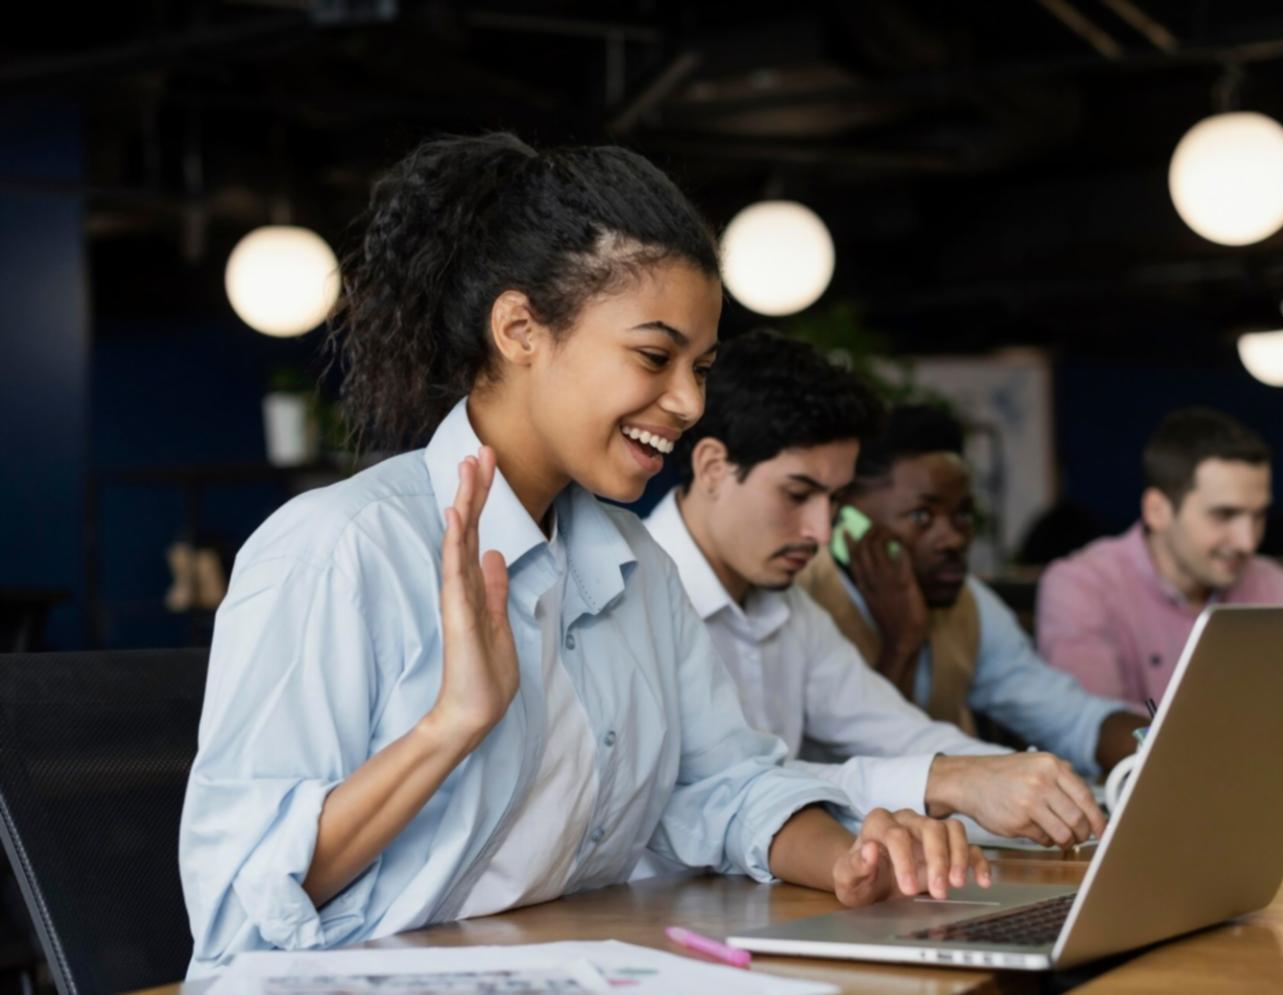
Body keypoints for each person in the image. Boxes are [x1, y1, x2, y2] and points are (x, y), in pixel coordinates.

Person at [178, 134, 985, 974]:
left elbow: (722, 781)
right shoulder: (338, 551)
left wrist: (851, 857)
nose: (688, 401)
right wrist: (451, 725)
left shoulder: (637, 567)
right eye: (653, 356)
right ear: (521, 328)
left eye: (700, 367)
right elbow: (240, 901)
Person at [645, 332, 1112, 848]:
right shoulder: (630, 595)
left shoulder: (790, 607)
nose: (821, 532)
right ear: (712, 467)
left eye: (835, 500)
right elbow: (718, 790)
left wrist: (1045, 791)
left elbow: (902, 736)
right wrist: (949, 780)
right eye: (798, 494)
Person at [1037, 407, 1283, 755]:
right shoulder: (1081, 585)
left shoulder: (1264, 579)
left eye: (1258, 516)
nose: (1247, 540)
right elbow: (1093, 728)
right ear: (1157, 510)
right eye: (1224, 515)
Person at [791, 402, 1148, 776]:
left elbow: (1070, 717)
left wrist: (1158, 748)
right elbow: (867, 763)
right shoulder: (805, 596)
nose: (952, 538)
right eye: (922, 516)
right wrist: (903, 642)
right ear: (848, 518)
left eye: (962, 515)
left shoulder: (967, 603)